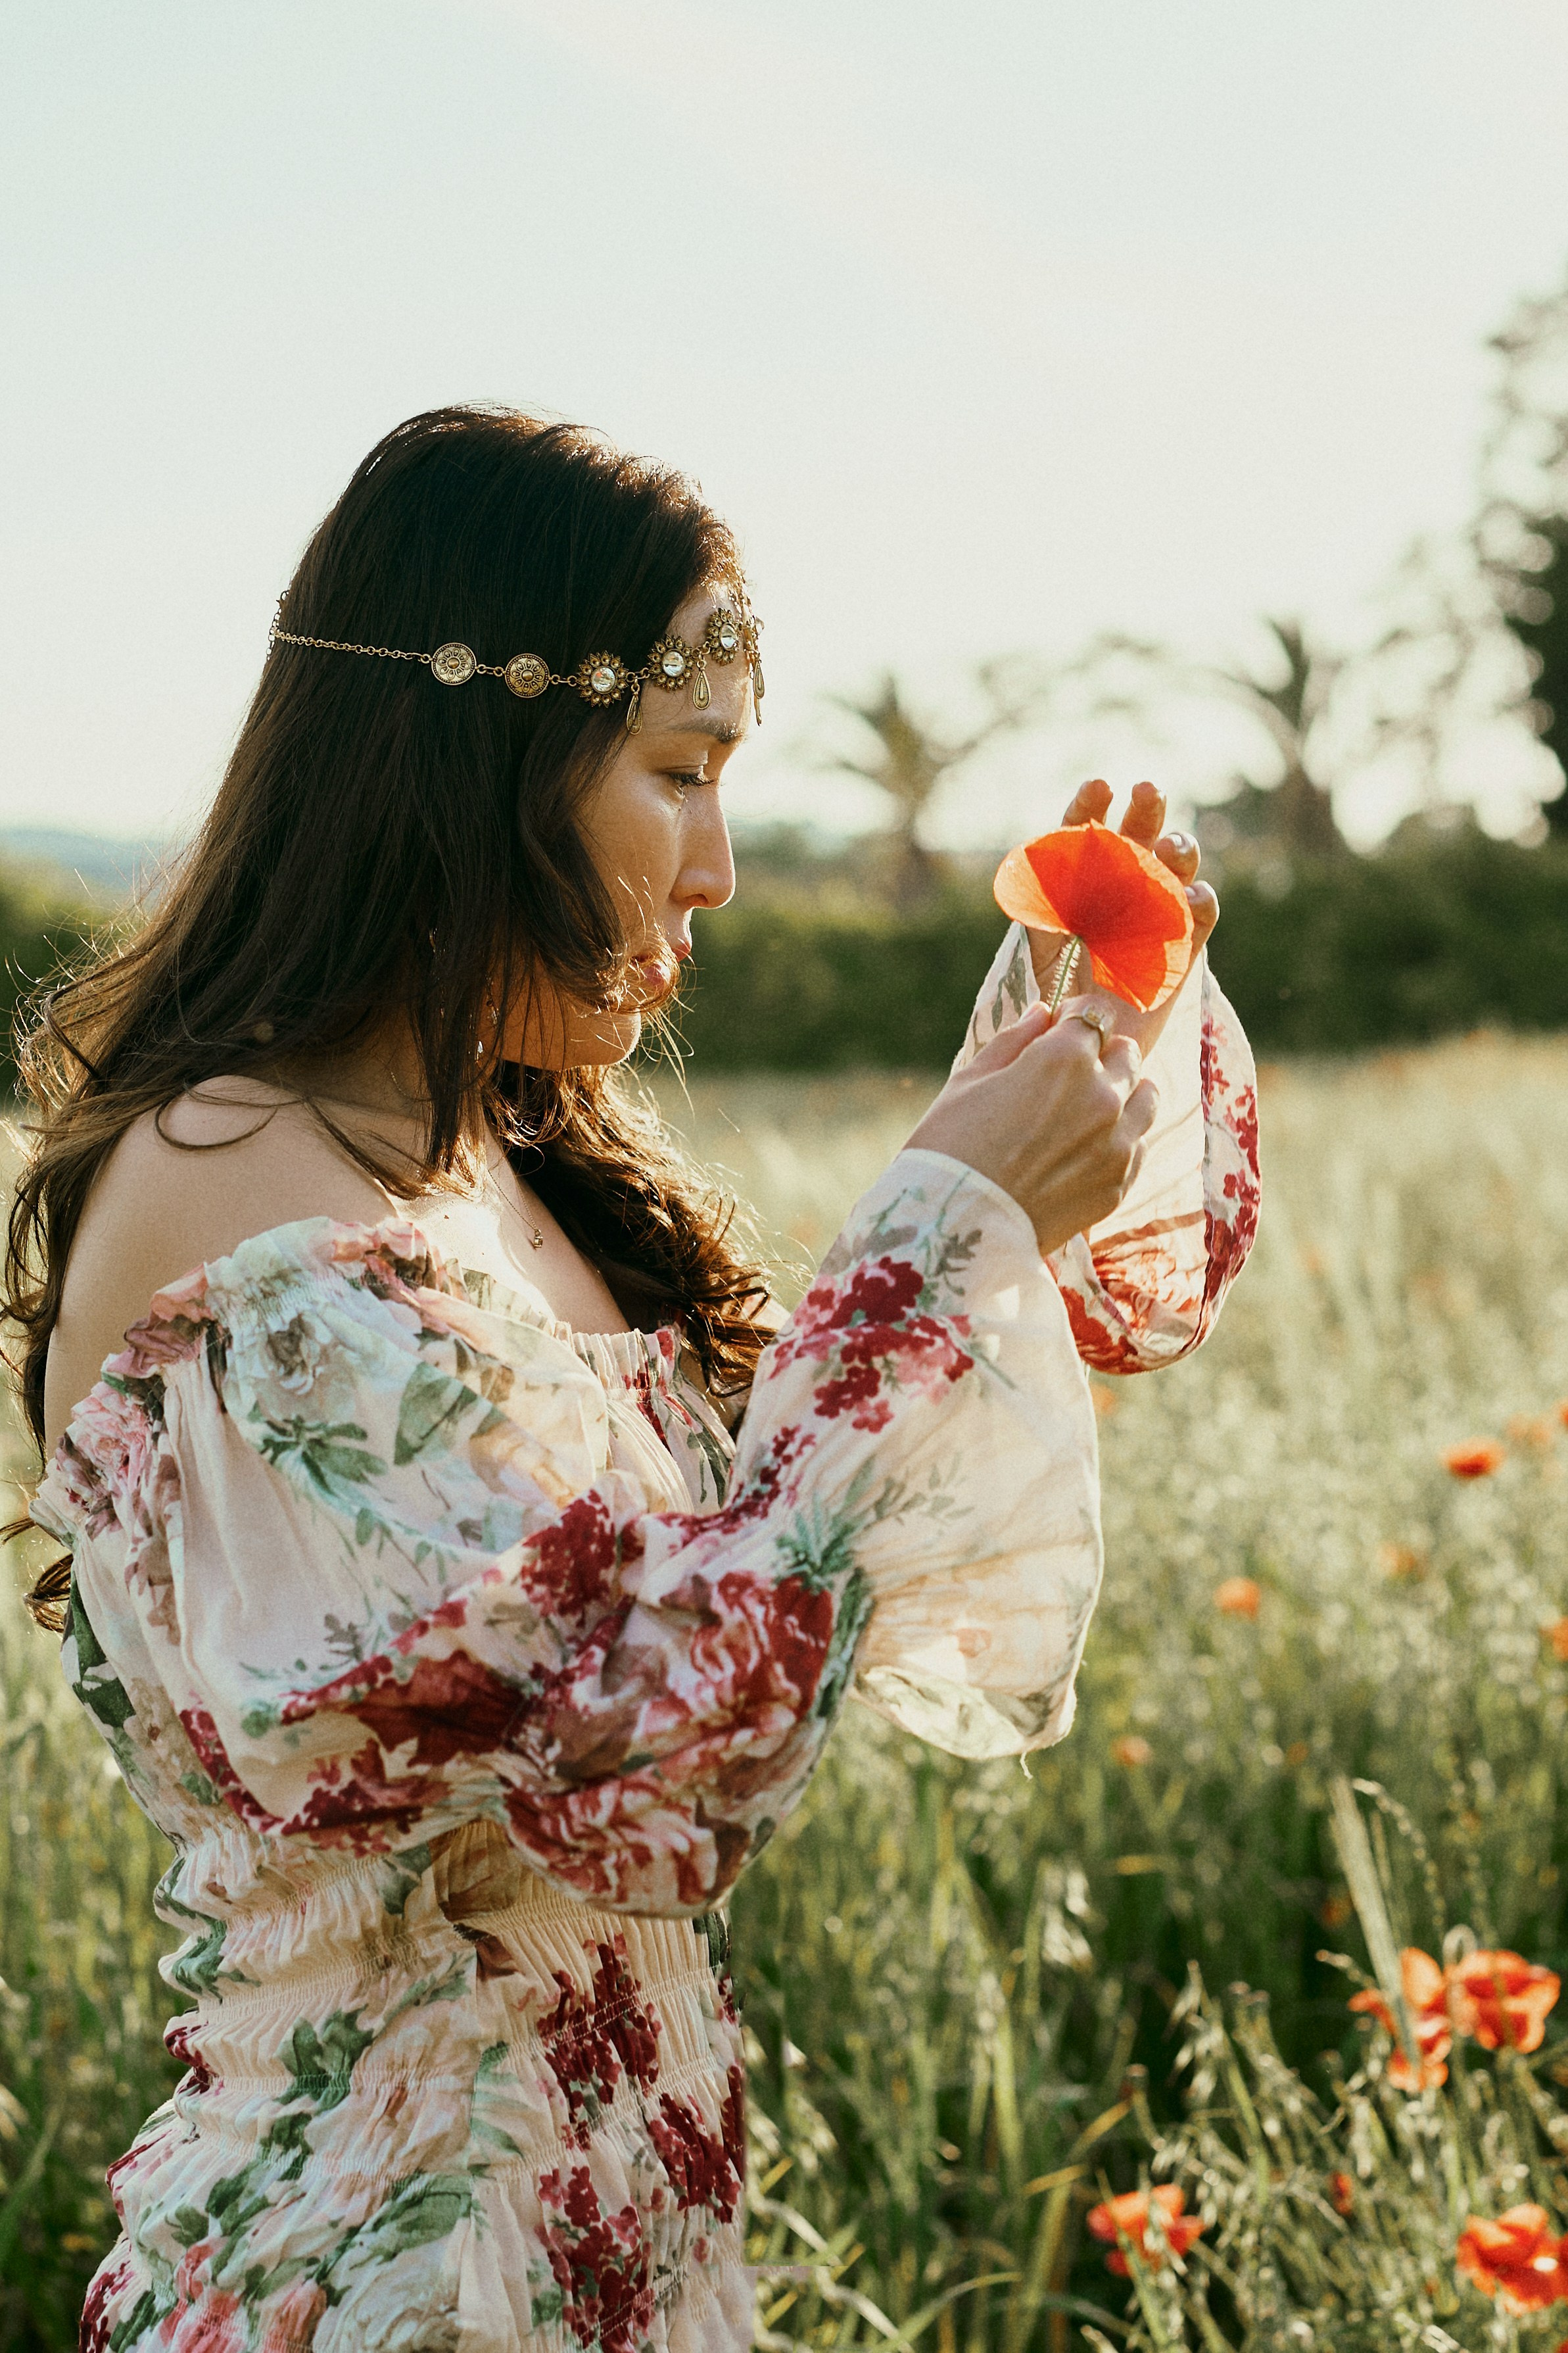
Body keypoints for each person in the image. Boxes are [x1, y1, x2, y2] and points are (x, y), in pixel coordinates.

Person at [4, 406, 1258, 2353]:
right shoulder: (227, 1175)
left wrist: (1046, 1079)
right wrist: (941, 1222)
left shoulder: (505, 1162)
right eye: (681, 770)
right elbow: (651, 1746)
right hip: (399, 2270)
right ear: (480, 756)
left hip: (625, 2240)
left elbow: (811, 1536)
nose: (727, 866)